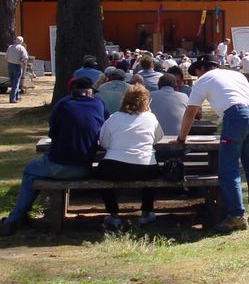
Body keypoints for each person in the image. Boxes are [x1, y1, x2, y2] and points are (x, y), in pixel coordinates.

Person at [0, 77, 107, 235]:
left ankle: (15, 219)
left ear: (72, 92)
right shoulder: (98, 104)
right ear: (89, 91)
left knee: (30, 171)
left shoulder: (63, 104)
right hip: (85, 167)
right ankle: (19, 216)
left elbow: (53, 132)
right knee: (38, 169)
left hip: (59, 164)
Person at [177, 54, 249, 233]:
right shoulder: (236, 74)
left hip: (235, 115)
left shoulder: (203, 80)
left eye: (197, 72)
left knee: (228, 169)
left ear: (201, 69)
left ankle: (236, 215)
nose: (197, 75)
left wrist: (181, 138)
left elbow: (190, 112)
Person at [97, 84, 163, 228]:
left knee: (101, 173)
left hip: (115, 166)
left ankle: (113, 214)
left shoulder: (114, 118)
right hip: (145, 167)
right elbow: (158, 137)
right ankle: (146, 212)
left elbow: (103, 142)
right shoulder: (150, 118)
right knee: (152, 172)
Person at [6, 36, 29, 103]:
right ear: (22, 41)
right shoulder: (21, 48)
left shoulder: (10, 47)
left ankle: (17, 96)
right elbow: (25, 57)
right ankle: (12, 99)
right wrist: (22, 62)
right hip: (17, 66)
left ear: (16, 40)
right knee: (16, 83)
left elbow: (6, 57)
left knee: (13, 82)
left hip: (10, 65)